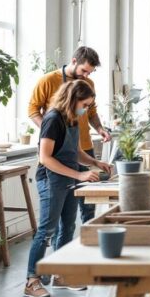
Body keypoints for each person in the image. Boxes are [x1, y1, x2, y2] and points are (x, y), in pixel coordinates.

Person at [24, 80, 110, 297]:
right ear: (72, 100)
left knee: (68, 226)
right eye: (85, 104)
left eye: (89, 105)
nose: (87, 109)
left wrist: (95, 162)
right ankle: (32, 280)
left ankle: (60, 274)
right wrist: (80, 174)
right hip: (52, 180)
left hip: (69, 178)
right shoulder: (52, 119)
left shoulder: (72, 117)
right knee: (46, 231)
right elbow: (45, 158)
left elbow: (75, 150)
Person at [28, 46, 112, 229]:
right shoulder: (48, 80)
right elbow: (33, 110)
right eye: (84, 71)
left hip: (83, 148)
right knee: (61, 213)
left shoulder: (88, 84)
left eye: (90, 73)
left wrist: (100, 128)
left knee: (88, 205)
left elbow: (91, 112)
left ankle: (86, 243)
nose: (86, 76)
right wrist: (54, 132)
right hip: (57, 150)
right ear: (74, 61)